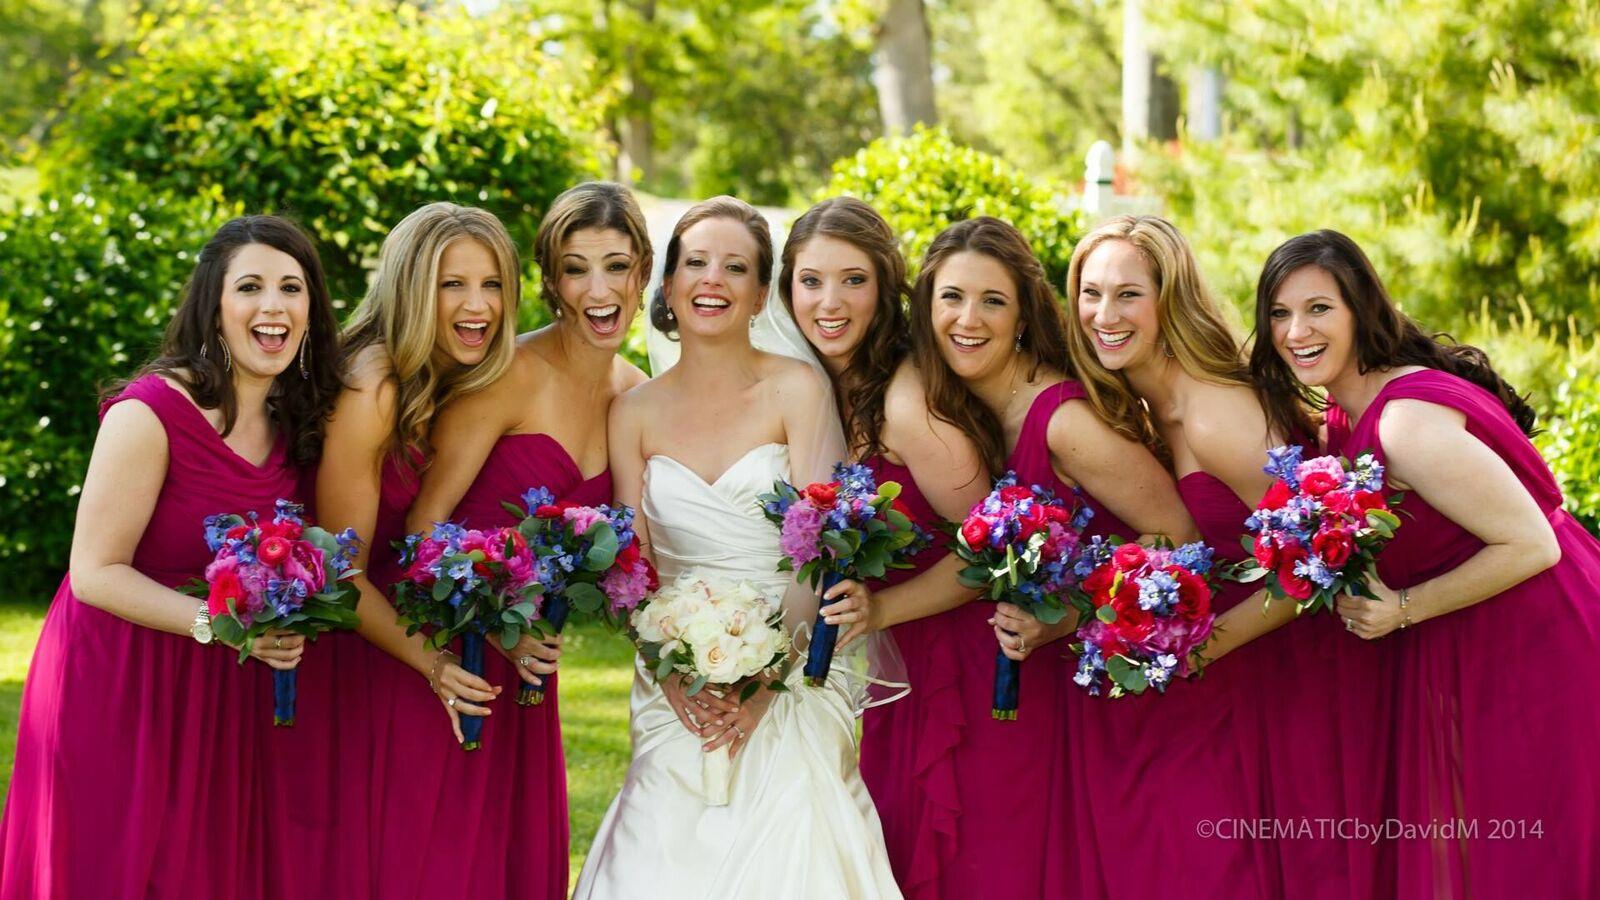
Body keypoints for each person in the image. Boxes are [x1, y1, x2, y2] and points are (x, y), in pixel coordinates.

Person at [0, 216, 341, 898]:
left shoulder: (298, 419)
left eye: (291, 288)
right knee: (114, 868)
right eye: (251, 287)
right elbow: (94, 572)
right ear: (214, 306)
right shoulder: (150, 412)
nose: (273, 305)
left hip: (220, 693)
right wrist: (223, 626)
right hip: (121, 679)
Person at [1256, 229, 1600, 898]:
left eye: (1319, 308)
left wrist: (1403, 609)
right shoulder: (1347, 412)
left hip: (1542, 640)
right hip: (1483, 637)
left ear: (1360, 309)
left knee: (1538, 856)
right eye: (1279, 313)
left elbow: (1534, 544)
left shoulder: (1403, 425)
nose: (1296, 330)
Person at [574, 196, 901, 899]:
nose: (712, 280)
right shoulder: (631, 412)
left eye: (736, 267)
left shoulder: (797, 389)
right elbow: (632, 567)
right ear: (668, 285)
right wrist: (667, 671)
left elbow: (820, 550)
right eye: (696, 262)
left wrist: (765, 682)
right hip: (673, 682)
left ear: (759, 294)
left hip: (792, 670)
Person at [906, 216, 1196, 898]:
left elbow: (1176, 534)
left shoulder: (1063, 420)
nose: (968, 319)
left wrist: (1070, 613)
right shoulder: (956, 406)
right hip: (1004, 693)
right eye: (952, 297)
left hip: (1087, 699)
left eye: (992, 301)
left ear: (1022, 316)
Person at [400, 182, 652, 896]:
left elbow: (630, 546)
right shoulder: (507, 374)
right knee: (442, 862)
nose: (598, 289)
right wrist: (496, 626)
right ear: (550, 283)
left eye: (616, 266)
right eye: (576, 269)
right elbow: (424, 523)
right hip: (452, 654)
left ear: (643, 273)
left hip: (532, 670)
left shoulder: (636, 394)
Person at [774, 197, 989, 898]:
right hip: (891, 666)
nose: (829, 302)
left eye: (854, 281)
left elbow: (992, 550)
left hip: (951, 658)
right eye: (811, 281)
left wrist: (882, 610)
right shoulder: (816, 386)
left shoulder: (906, 401)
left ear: (886, 286)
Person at [318, 201, 522, 897]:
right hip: (356, 649)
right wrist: (434, 663)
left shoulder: (451, 377)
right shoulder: (373, 385)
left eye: (492, 284)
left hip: (408, 637)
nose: (478, 306)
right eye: (451, 284)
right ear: (409, 289)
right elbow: (340, 573)